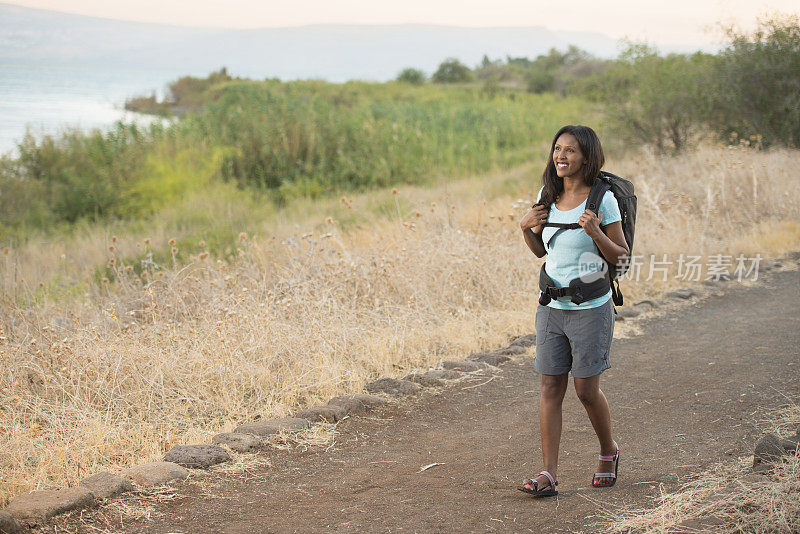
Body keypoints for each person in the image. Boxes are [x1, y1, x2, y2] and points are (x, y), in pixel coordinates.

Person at [517, 125, 629, 497]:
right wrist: (525, 229)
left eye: (571, 151)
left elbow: (622, 257)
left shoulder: (603, 200)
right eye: (557, 149)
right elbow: (541, 251)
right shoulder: (546, 195)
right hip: (551, 307)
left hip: (591, 309)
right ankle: (549, 473)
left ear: (587, 156)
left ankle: (608, 451)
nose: (561, 156)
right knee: (550, 386)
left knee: (585, 390)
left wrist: (596, 232)